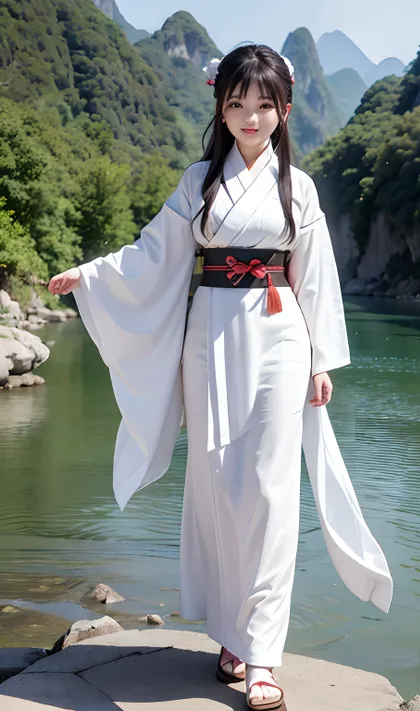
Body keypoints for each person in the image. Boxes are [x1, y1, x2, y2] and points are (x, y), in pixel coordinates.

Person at [48, 44, 393, 711]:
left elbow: (315, 275)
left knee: (267, 491)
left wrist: (321, 358)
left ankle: (262, 654)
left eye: (263, 105)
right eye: (237, 104)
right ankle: (230, 634)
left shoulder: (300, 188)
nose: (250, 117)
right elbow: (153, 253)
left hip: (279, 338)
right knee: (216, 485)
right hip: (207, 338)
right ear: (221, 105)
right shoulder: (198, 180)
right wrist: (90, 275)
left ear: (284, 109)